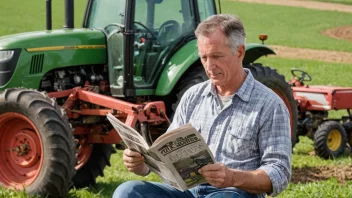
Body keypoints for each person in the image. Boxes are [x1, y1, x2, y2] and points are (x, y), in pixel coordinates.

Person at [113, 14, 292, 198]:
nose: (209, 66)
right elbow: (166, 156)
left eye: (217, 56)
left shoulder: (270, 105)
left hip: (233, 193)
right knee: (127, 192)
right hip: (188, 193)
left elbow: (280, 172)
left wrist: (233, 177)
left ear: (239, 52)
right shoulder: (193, 96)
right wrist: (142, 165)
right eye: (204, 57)